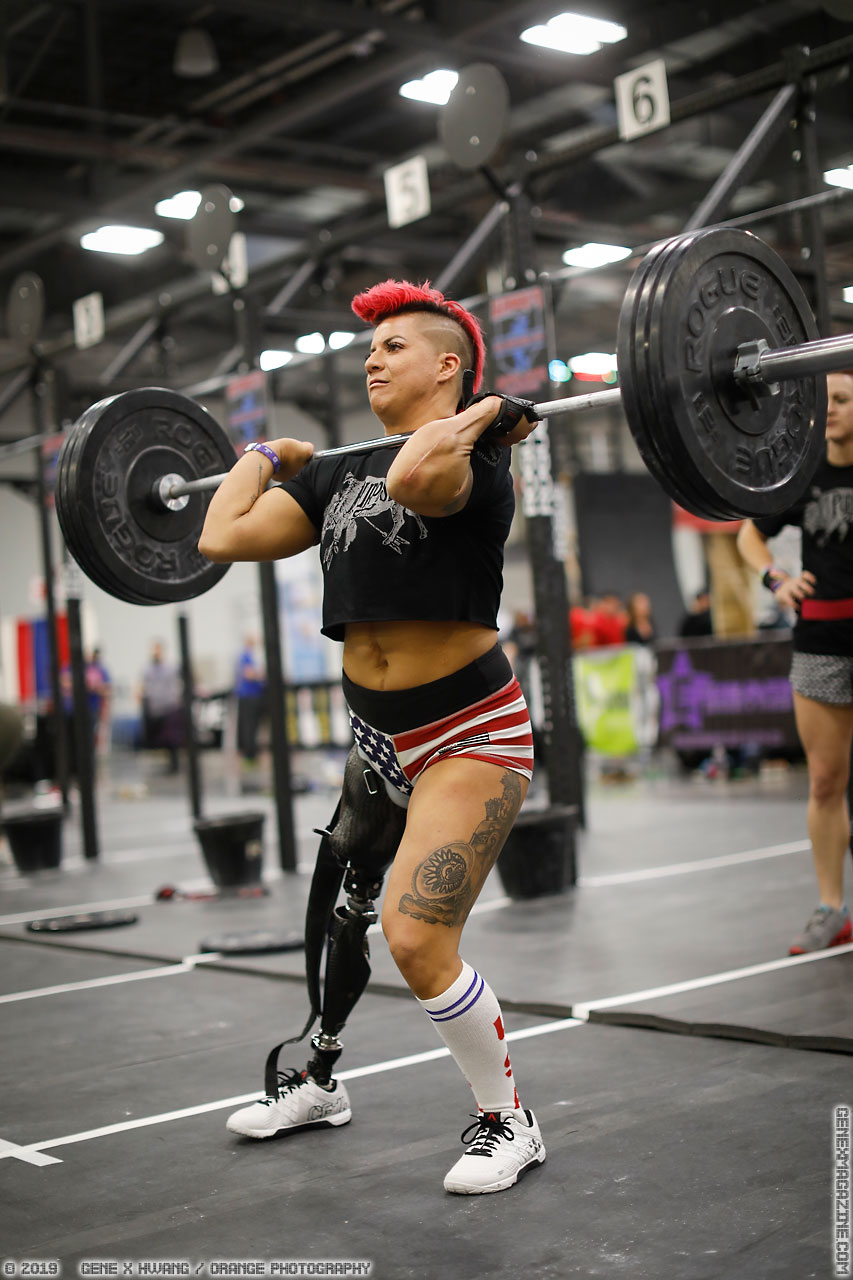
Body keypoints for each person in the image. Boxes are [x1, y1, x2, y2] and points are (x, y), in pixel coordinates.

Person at [199, 279, 544, 1195]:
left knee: (415, 936)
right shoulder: (333, 472)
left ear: (447, 364)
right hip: (377, 737)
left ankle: (508, 1121)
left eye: (393, 347)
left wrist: (484, 415)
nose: (370, 361)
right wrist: (267, 454)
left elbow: (414, 480)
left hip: (469, 732)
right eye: (367, 350)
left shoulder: (477, 462)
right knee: (338, 917)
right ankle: (318, 1080)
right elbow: (220, 535)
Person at [736, 371, 853, 956]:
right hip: (820, 640)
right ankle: (832, 908)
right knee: (826, 781)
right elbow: (748, 537)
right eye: (824, 399)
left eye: (842, 399)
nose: (829, 409)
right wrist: (776, 579)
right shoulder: (803, 474)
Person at [139, 641, 182, 774]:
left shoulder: (171, 668)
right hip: (156, 708)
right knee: (160, 739)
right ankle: (167, 764)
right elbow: (143, 686)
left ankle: (174, 765)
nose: (155, 653)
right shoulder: (148, 670)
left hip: (169, 707)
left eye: (157, 650)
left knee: (172, 739)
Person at [233, 634, 267, 764]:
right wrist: (260, 674)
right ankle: (249, 755)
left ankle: (252, 754)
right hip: (248, 696)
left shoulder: (253, 656)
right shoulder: (245, 656)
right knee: (249, 726)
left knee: (253, 726)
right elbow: (248, 673)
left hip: (255, 695)